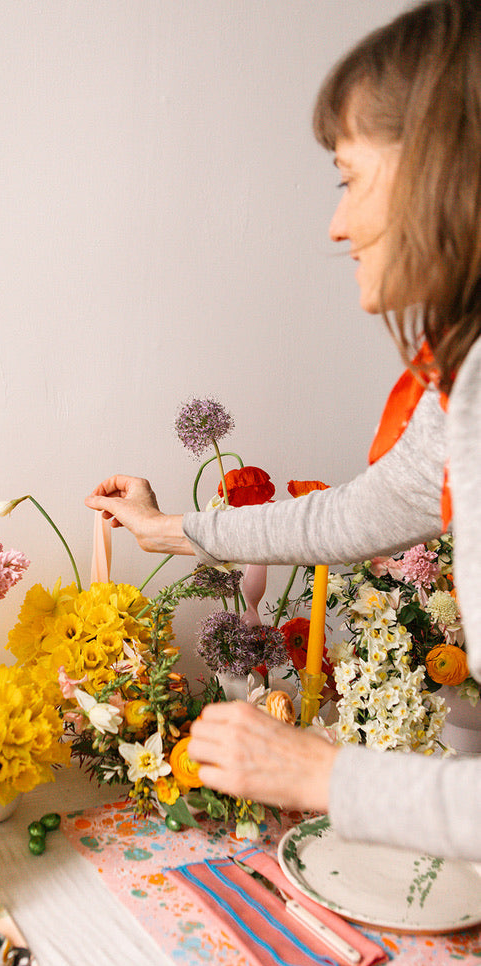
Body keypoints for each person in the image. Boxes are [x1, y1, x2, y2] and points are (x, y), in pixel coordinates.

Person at [85, 0, 481, 862]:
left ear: (441, 166)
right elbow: (353, 515)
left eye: (347, 177)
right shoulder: (466, 381)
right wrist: (173, 531)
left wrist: (321, 776)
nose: (336, 225)